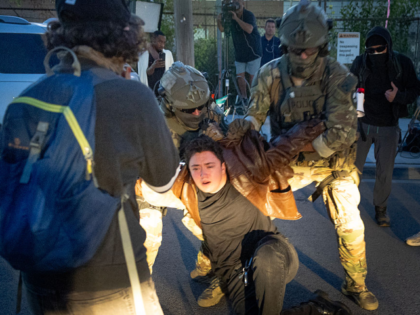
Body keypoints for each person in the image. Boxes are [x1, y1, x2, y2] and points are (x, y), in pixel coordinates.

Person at [20, 0, 180, 314]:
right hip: (110, 279)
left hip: (39, 280)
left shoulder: (30, 96)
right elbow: (163, 183)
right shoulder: (133, 96)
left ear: (60, 33)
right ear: (125, 35)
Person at [241, 0, 379, 311]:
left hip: (332, 164)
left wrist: (297, 144)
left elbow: (342, 132)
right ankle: (221, 269)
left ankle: (355, 283)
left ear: (323, 44)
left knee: (351, 224)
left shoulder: (337, 75)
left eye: (310, 49)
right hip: (286, 164)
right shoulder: (269, 74)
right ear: (285, 43)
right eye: (296, 49)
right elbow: (255, 116)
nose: (303, 55)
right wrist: (245, 132)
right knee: (241, 209)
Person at [162, 127, 353, 315]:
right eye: (196, 168)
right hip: (236, 274)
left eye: (209, 166)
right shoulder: (187, 190)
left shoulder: (246, 176)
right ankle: (315, 307)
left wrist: (320, 125)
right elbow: (146, 182)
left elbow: (284, 146)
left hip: (273, 254)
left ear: (222, 166)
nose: (203, 174)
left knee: (265, 257)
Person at [136, 61, 229, 307]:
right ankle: (138, 295)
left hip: (194, 183)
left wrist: (221, 141)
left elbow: (234, 147)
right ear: (168, 104)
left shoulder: (210, 112)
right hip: (154, 185)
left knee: (219, 228)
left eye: (201, 107)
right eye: (190, 110)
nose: (198, 114)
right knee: (145, 235)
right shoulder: (150, 119)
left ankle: (218, 272)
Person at [350, 26, 418, 227]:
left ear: (388, 46)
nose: (376, 54)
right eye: (371, 51)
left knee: (384, 172)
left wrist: (399, 97)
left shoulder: (402, 63)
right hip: (362, 125)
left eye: (381, 49)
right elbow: (347, 87)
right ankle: (348, 207)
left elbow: (415, 90)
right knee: (352, 171)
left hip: (388, 127)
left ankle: (381, 209)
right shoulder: (360, 62)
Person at [217, 0, 262, 104]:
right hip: (240, 52)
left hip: (253, 52)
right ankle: (244, 99)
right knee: (239, 77)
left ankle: (253, 99)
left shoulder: (249, 15)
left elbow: (249, 29)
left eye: (239, 2)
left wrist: (236, 18)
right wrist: (219, 20)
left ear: (243, 4)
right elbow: (223, 29)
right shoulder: (231, 15)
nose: (236, 5)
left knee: (252, 78)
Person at [137, 30, 174, 95]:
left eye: (164, 42)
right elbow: (146, 73)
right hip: (150, 90)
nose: (162, 45)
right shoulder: (145, 55)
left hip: (164, 91)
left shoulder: (168, 54)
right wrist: (153, 66)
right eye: (160, 41)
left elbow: (171, 73)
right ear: (153, 40)